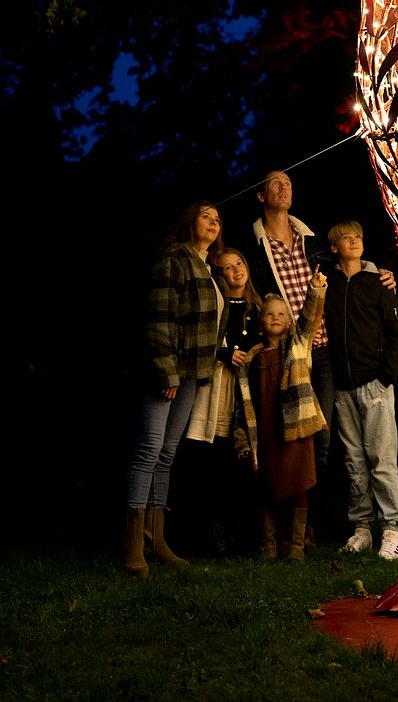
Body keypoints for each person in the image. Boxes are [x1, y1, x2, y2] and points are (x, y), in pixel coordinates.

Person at [245, 169, 397, 545]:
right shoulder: (255, 245)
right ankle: (279, 525)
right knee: (282, 436)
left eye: (289, 183)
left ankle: (315, 523)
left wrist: (378, 271)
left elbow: (349, 268)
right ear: (261, 197)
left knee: (324, 439)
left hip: (326, 350)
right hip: (288, 352)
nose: (284, 188)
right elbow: (247, 292)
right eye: (274, 184)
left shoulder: (311, 241)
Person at [124, 200, 229, 576]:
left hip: (193, 373)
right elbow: (160, 318)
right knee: (148, 449)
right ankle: (133, 546)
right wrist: (166, 371)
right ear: (189, 222)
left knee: (167, 453)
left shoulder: (209, 268)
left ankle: (157, 539)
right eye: (206, 216)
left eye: (218, 219)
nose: (214, 223)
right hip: (168, 371)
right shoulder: (175, 259)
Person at [324, 220, 398, 561]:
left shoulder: (378, 284)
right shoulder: (327, 283)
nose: (355, 241)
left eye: (359, 236)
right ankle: (361, 528)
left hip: (374, 384)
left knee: (382, 460)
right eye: (346, 237)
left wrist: (385, 376)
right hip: (343, 389)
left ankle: (391, 529)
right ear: (335, 247)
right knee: (354, 461)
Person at [233, 268, 328, 562]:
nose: (275, 317)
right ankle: (269, 544)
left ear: (288, 322)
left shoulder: (297, 345)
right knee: (266, 485)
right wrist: (243, 441)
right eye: (269, 314)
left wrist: (316, 288)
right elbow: (243, 406)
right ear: (261, 322)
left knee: (299, 483)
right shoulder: (252, 359)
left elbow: (311, 316)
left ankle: (297, 545)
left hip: (297, 429)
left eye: (281, 314)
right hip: (266, 431)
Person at [181, 247, 262, 557]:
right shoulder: (218, 305)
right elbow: (205, 340)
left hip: (248, 391)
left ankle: (245, 535)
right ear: (220, 274)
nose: (236, 271)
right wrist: (225, 353)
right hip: (218, 387)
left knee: (244, 460)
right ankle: (212, 536)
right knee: (214, 458)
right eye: (228, 268)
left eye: (239, 263)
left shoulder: (259, 305)